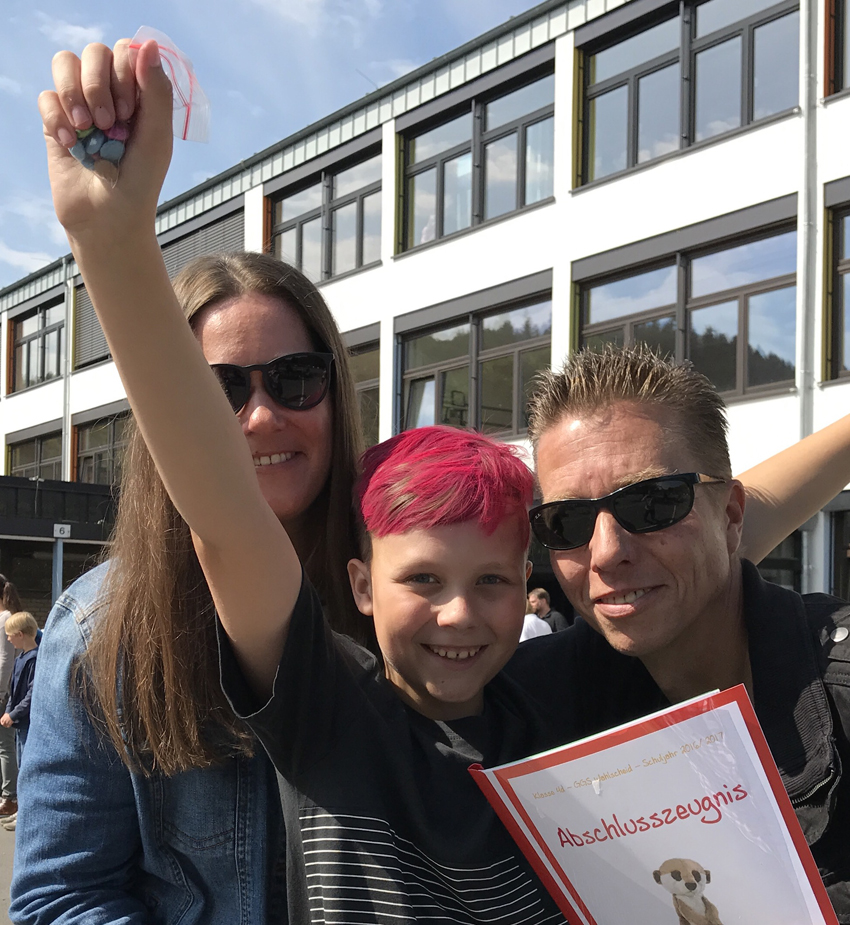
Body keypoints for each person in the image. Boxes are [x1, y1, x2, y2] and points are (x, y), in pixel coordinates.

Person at [28, 35, 850, 924]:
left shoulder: (554, 687)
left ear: (528, 580)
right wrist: (112, 242)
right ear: (363, 585)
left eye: (491, 580)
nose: (458, 613)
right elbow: (222, 520)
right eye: (422, 580)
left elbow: (706, 528)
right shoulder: (332, 700)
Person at [12, 45, 365, 925]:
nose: (261, 417)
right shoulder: (99, 628)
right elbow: (61, 896)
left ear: (337, 392)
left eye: (294, 379)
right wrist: (110, 237)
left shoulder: (413, 586)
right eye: (219, 391)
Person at [508, 345, 850, 920]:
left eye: (653, 504)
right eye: (566, 520)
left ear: (732, 516)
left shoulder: (841, 688)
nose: (606, 553)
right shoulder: (533, 702)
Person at [2, 612, 39, 768]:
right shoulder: (19, 659)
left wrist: (14, 714)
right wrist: (8, 711)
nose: (8, 639)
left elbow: (32, 694)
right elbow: (14, 691)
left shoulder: (35, 659)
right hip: (19, 720)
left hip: (28, 721)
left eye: (10, 635)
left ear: (20, 634)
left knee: (25, 764)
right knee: (20, 763)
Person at [0, 576, 23, 821]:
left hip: (3, 693)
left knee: (5, 744)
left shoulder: (5, 618)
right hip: (6, 691)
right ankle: (7, 795)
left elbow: (5, 660)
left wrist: (0, 692)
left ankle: (9, 798)